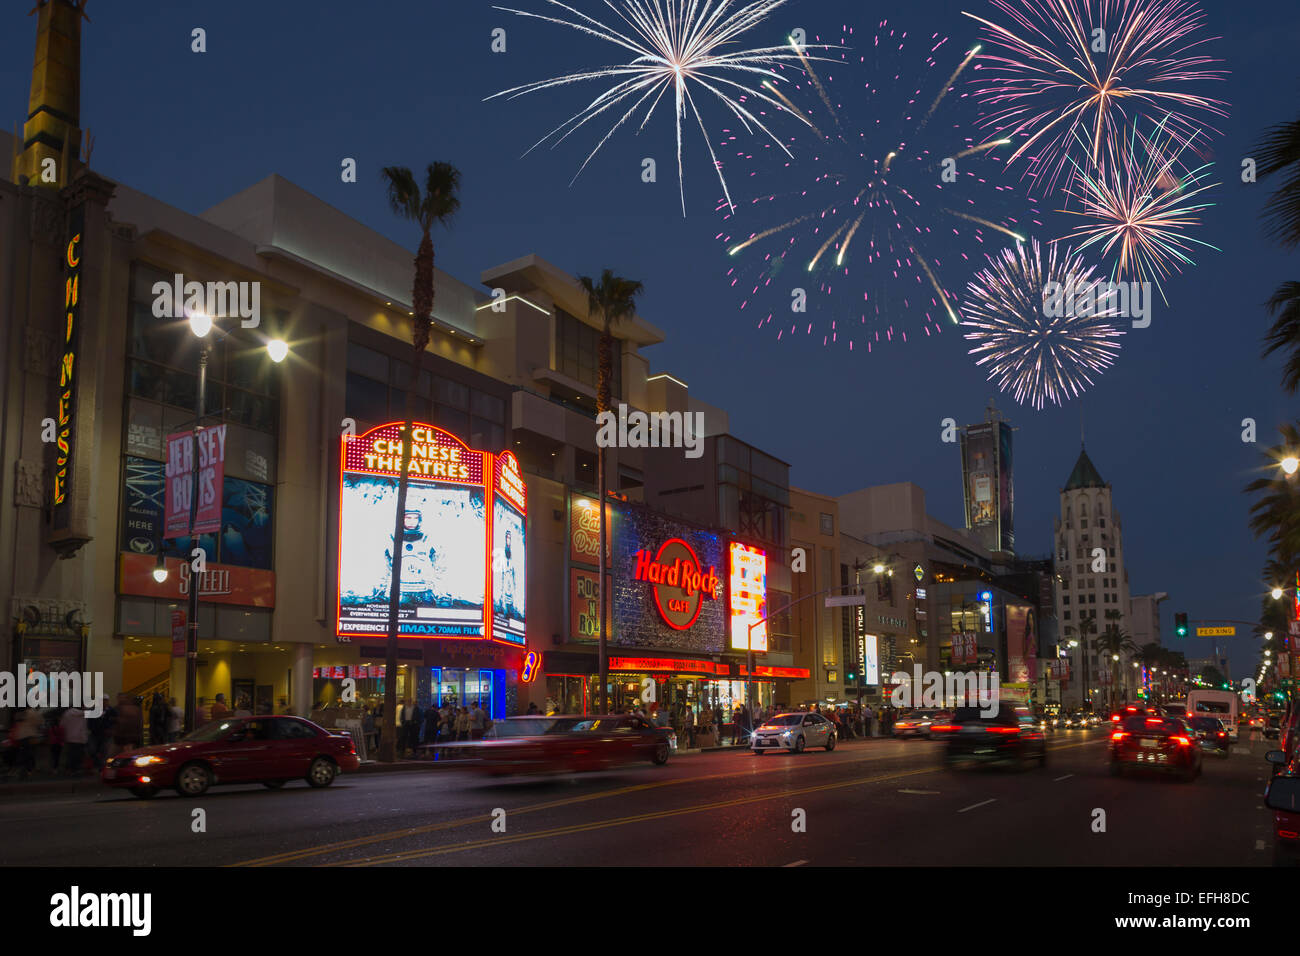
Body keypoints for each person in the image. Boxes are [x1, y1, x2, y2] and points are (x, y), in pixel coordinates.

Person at [60, 706, 88, 775]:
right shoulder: (83, 713)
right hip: (80, 738)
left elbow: (62, 724)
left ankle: (69, 769)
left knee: (70, 754)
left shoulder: (67, 713)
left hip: (69, 737)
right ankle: (76, 769)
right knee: (78, 755)